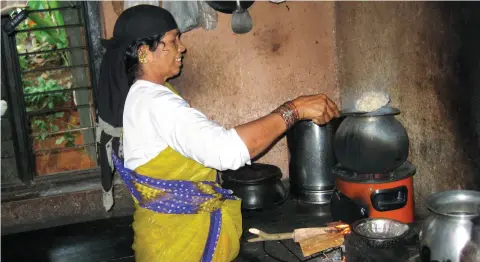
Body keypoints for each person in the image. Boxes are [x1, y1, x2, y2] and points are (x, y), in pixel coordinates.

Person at [97, 5, 340, 262]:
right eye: (172, 40)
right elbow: (226, 152)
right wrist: (294, 109)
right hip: (181, 246)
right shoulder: (157, 103)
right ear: (145, 52)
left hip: (167, 237)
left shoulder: (144, 95)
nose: (182, 47)